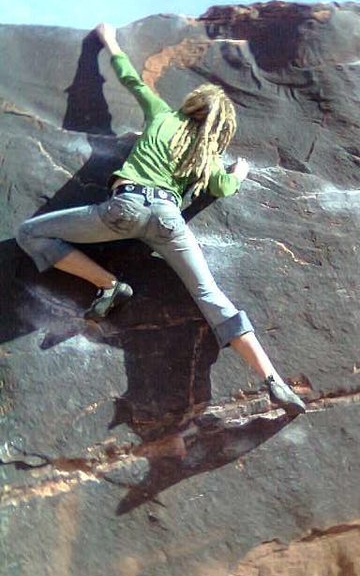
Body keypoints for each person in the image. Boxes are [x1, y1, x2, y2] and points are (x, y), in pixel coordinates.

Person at [16, 23, 307, 416]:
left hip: (125, 209)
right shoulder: (205, 156)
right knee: (211, 298)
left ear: (194, 104)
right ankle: (273, 379)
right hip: (169, 222)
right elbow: (221, 187)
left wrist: (110, 42)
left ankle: (110, 285)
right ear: (218, 126)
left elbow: (130, 80)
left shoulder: (162, 116)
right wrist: (238, 173)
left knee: (29, 233)